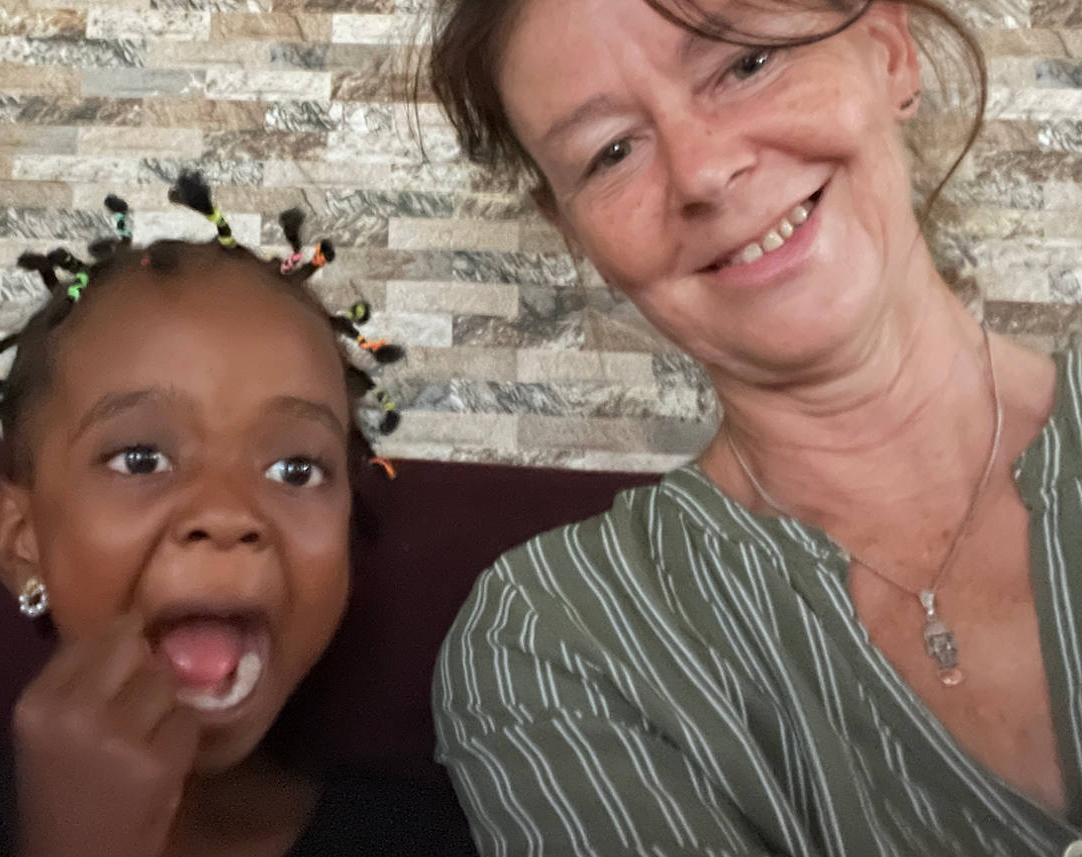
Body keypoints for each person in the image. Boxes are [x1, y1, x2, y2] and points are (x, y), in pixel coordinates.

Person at [423, 0, 1082, 852]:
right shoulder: (560, 640)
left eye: (745, 64)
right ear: (577, 235)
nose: (702, 172)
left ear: (889, 52)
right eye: (611, 152)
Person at [0, 172, 476, 857]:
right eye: (140, 458)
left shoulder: (428, 837)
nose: (228, 515)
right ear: (23, 542)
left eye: (297, 469)